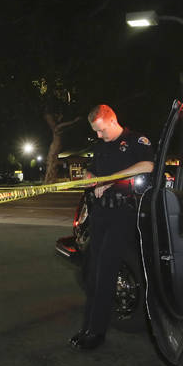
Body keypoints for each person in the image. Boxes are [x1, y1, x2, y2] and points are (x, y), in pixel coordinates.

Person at [70, 104, 155, 351]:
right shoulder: (101, 146)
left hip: (124, 214)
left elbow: (147, 166)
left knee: (106, 271)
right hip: (100, 214)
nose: (98, 135)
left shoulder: (136, 140)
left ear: (112, 120)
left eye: (100, 130)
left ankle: (96, 333)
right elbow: (92, 169)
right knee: (93, 273)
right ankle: (88, 326)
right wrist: (89, 176)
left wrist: (110, 180)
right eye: (95, 131)